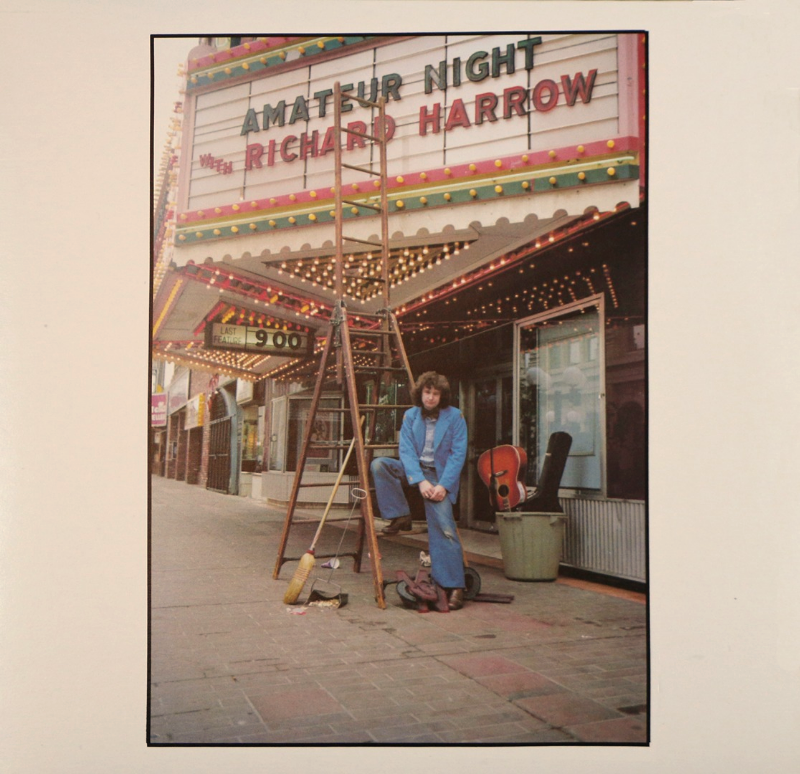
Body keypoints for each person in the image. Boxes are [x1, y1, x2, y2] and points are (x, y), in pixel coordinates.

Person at [370, 372, 468, 610]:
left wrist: (442, 486)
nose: (431, 397)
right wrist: (420, 481)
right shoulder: (410, 416)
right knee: (380, 465)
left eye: (435, 393)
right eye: (427, 392)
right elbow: (405, 451)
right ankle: (400, 515)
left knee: (445, 528)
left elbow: (458, 454)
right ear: (420, 393)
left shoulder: (455, 417)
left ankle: (454, 585)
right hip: (414, 471)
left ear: (442, 396)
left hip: (439, 477)